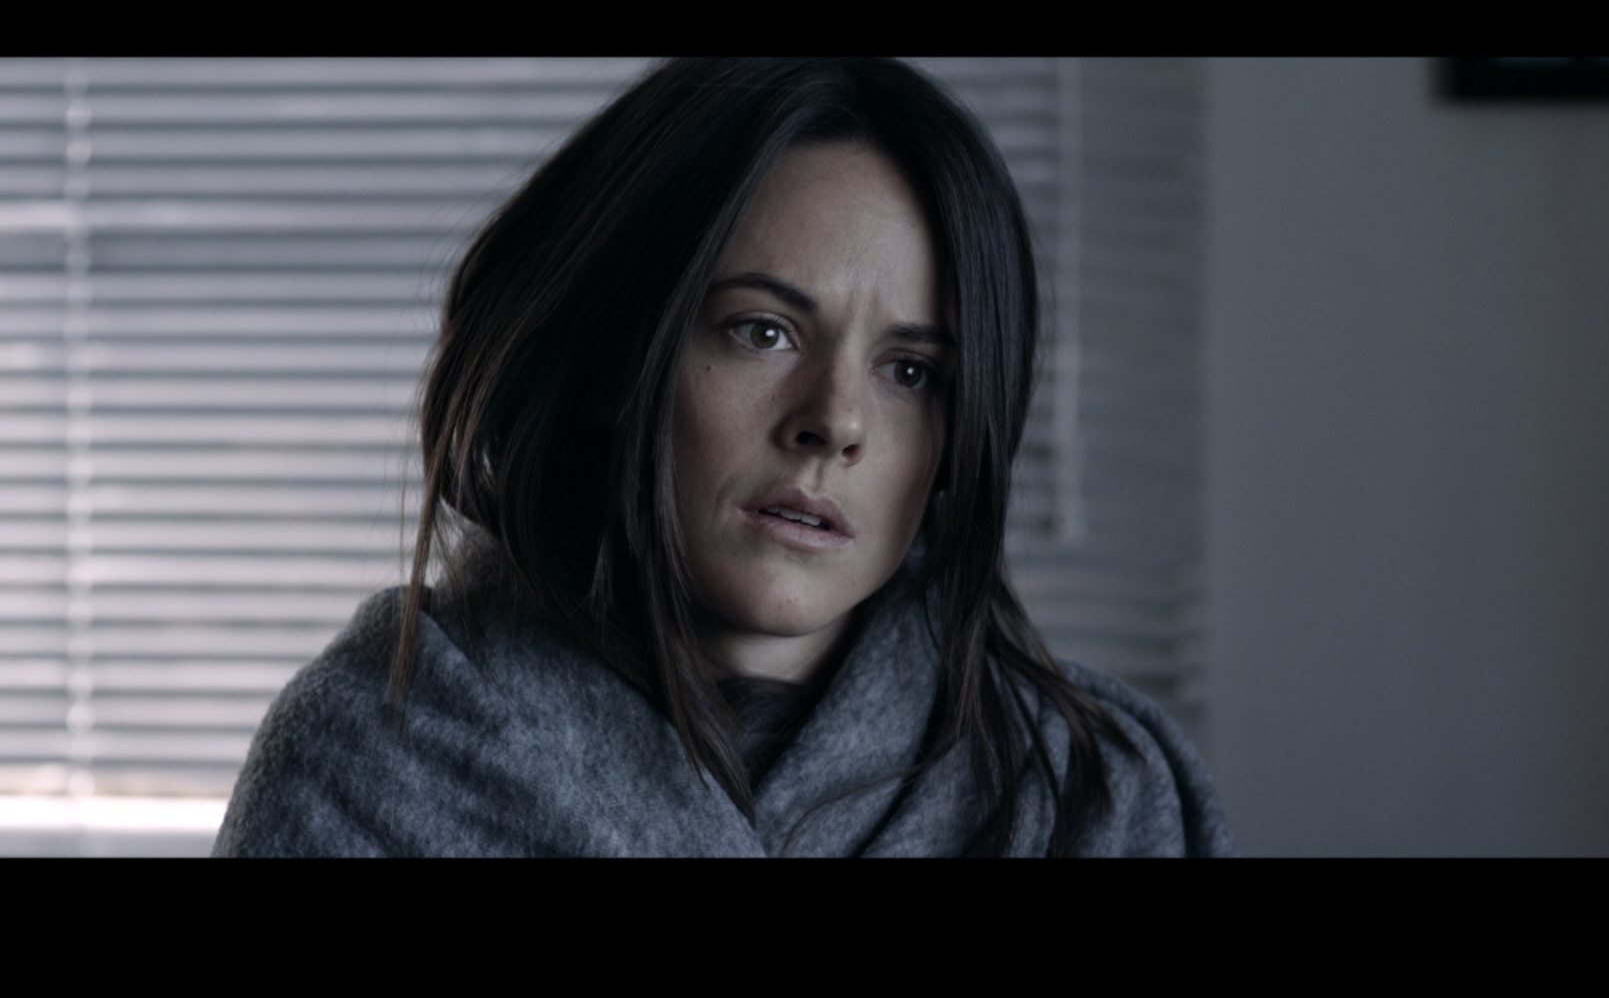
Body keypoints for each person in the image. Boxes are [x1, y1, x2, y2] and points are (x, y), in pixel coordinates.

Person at [211, 57, 1237, 857]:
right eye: (763, 331)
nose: (835, 422)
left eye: (912, 371)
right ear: (613, 356)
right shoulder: (369, 762)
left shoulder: (1092, 793)